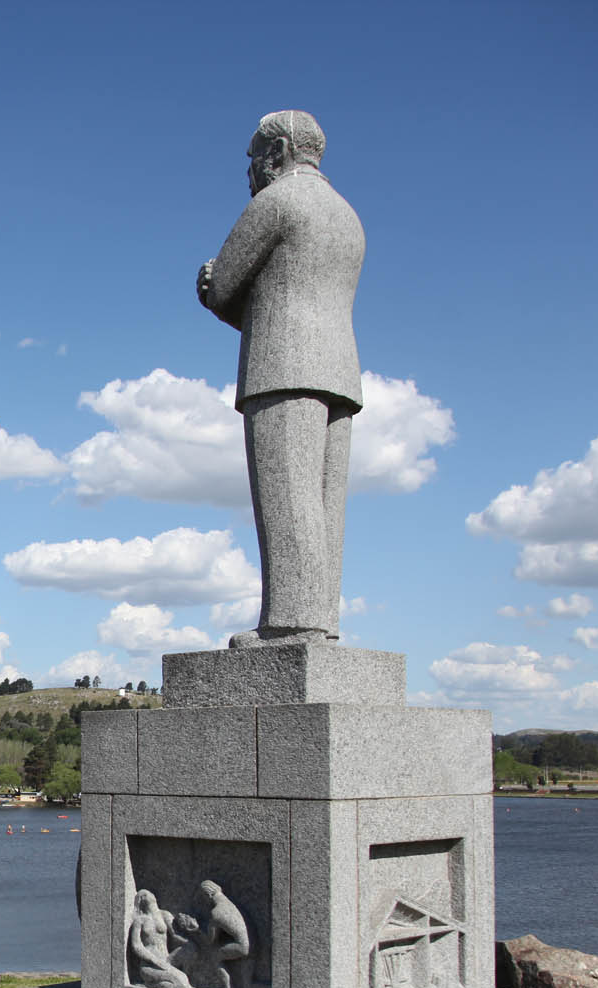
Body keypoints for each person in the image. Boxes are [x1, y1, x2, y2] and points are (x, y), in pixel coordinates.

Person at [198, 109, 364, 646]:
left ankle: (291, 622)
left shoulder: (276, 202)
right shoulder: (347, 216)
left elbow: (225, 286)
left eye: (252, 159)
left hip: (281, 365)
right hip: (340, 372)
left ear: (278, 152)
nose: (249, 172)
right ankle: (320, 624)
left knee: (286, 498)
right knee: (322, 507)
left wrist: (207, 286)